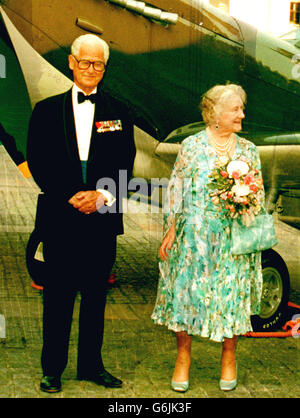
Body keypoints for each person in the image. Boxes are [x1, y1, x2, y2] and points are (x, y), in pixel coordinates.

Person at [27, 34, 136, 393]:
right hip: (61, 216)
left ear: (105, 69)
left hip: (101, 219)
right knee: (57, 296)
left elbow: (126, 164)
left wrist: (102, 195)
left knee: (94, 297)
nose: (91, 69)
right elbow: (38, 161)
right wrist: (71, 194)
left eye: (98, 64)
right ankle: (52, 369)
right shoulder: (45, 110)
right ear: (71, 62)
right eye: (85, 62)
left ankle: (91, 365)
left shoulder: (120, 112)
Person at [151, 84, 263, 392]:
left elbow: (259, 193)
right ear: (215, 113)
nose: (242, 114)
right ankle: (183, 357)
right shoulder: (191, 146)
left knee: (230, 298)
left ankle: (229, 357)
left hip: (233, 240)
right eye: (236, 109)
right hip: (194, 239)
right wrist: (170, 229)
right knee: (186, 296)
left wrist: (245, 202)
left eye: (242, 108)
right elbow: (176, 189)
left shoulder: (249, 150)